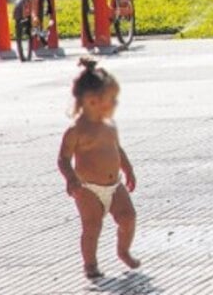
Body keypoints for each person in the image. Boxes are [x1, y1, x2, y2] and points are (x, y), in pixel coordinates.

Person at [57, 58, 140, 279]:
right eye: (107, 100)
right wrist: (71, 178)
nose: (109, 105)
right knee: (92, 226)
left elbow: (117, 150)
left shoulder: (109, 126)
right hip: (87, 188)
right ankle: (90, 264)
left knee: (128, 217)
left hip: (114, 185)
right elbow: (63, 159)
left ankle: (123, 250)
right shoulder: (76, 131)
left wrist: (128, 168)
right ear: (86, 101)